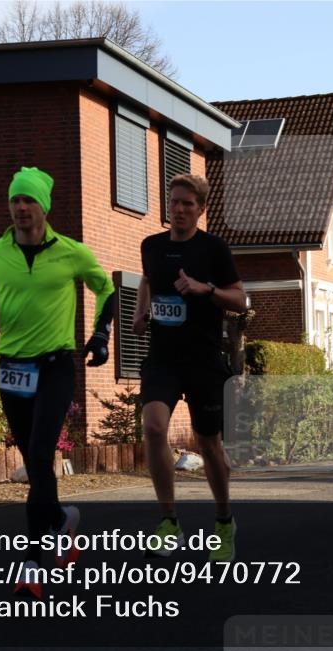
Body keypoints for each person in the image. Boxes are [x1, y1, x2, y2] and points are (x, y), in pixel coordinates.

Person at [0, 166, 116, 599]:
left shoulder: (71, 252)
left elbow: (106, 289)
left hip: (55, 366)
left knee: (39, 451)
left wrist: (101, 335)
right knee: (34, 463)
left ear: (44, 207)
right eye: (15, 200)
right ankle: (62, 519)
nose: (21, 207)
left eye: (28, 200)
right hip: (12, 368)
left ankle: (33, 560)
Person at [132, 173, 246, 563]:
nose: (179, 209)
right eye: (174, 202)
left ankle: (224, 521)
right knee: (153, 428)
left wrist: (205, 289)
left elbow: (240, 300)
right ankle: (169, 522)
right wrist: (140, 311)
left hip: (203, 360)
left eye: (187, 204)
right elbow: (147, 280)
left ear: (201, 209)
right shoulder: (151, 245)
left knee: (209, 444)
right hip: (162, 358)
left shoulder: (214, 248)